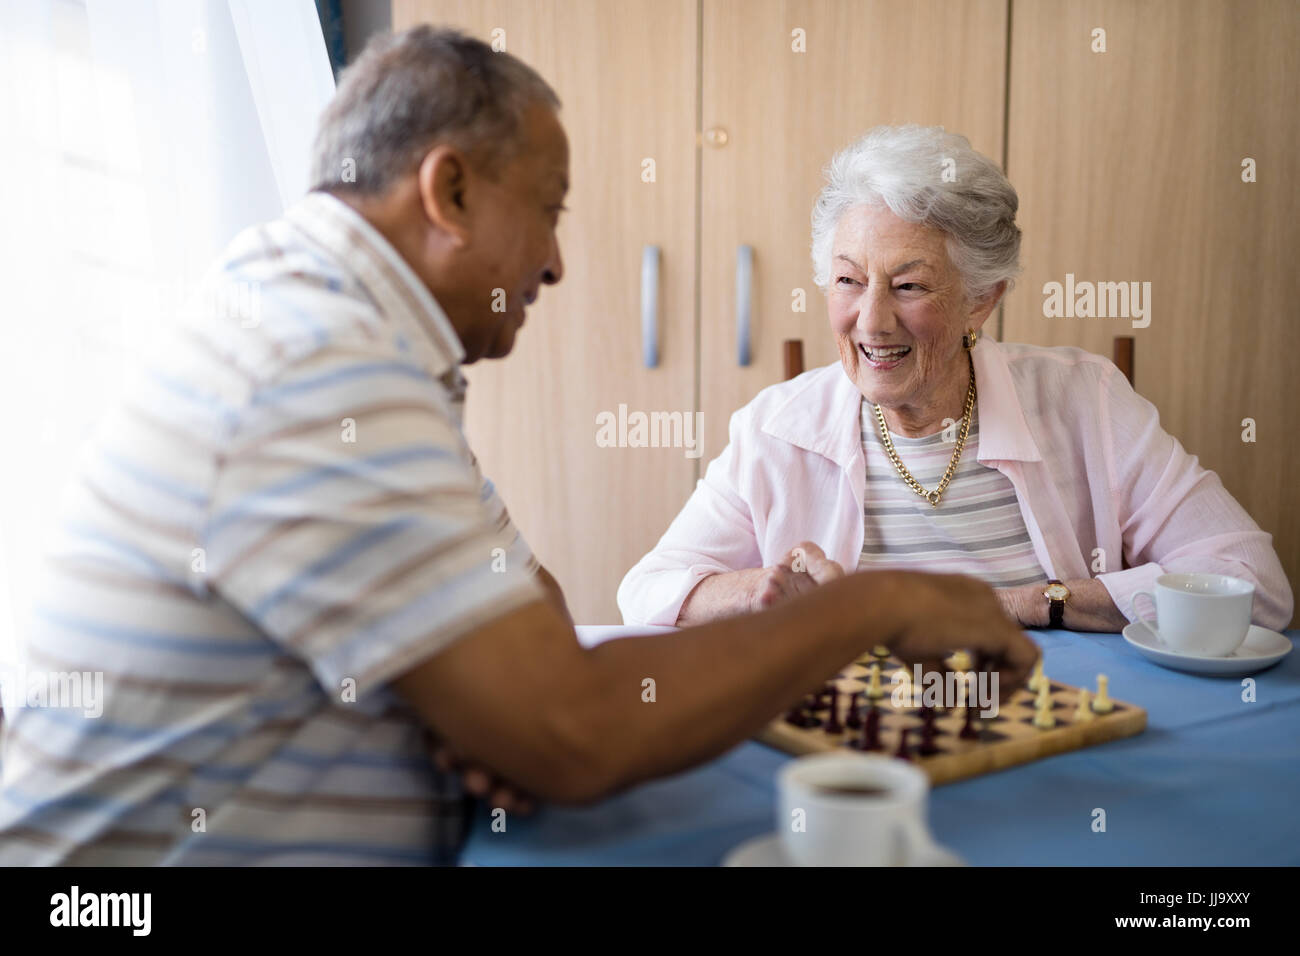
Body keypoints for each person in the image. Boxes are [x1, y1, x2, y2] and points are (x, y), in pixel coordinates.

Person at [0, 29, 1035, 866]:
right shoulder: (314, 360)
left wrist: (503, 707)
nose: (553, 261)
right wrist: (878, 601)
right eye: (545, 212)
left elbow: (529, 604)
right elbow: (575, 732)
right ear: (447, 192)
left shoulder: (356, 335)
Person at [618, 125, 1292, 633]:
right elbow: (647, 590)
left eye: (909, 286)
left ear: (981, 299)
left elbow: (1254, 585)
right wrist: (759, 591)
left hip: (1050, 727)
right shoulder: (776, 428)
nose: (872, 321)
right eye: (848, 281)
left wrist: (1012, 606)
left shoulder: (1085, 401)